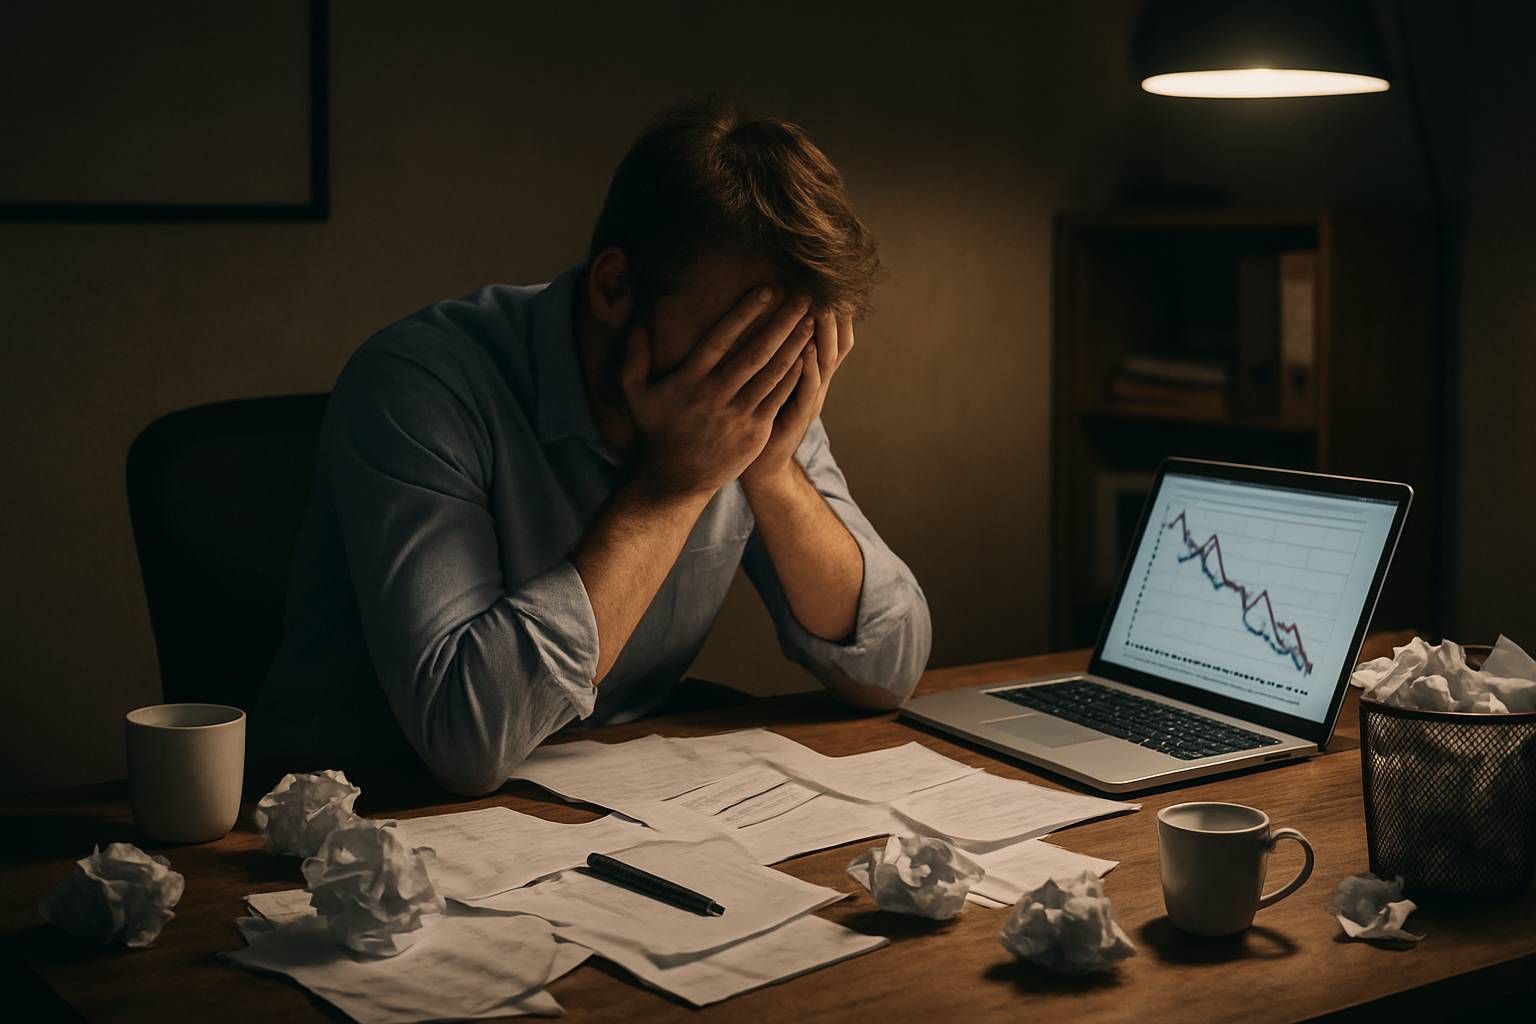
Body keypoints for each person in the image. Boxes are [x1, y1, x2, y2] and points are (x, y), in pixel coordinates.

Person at [252, 100, 932, 795]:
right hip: (346, 817)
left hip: (595, 798)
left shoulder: (756, 406)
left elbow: (890, 668)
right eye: (739, 336)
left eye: (793, 340)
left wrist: (772, 470)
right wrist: (676, 484)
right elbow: (466, 738)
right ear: (614, 288)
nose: (764, 374)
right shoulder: (418, 383)